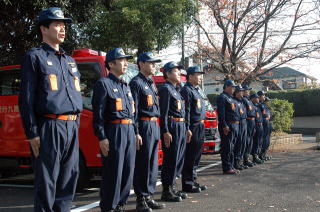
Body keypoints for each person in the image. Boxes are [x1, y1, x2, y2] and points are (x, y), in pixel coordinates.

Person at [18, 7, 83, 211]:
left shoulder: (69, 60)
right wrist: (32, 132)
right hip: (50, 126)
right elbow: (26, 98)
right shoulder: (34, 57)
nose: (62, 29)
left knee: (69, 177)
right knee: (47, 181)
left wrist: (75, 123)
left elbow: (75, 96)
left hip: (71, 127)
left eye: (64, 25)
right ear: (43, 29)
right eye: (57, 24)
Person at [92, 48, 137, 212]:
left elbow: (133, 113)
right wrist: (102, 137)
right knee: (113, 172)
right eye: (122, 60)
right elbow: (98, 114)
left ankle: (120, 204)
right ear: (111, 64)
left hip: (128, 130)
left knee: (127, 170)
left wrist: (135, 132)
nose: (125, 63)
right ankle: (109, 207)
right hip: (114, 131)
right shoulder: (103, 84)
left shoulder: (126, 86)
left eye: (126, 60)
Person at [129, 52, 166, 212]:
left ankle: (149, 195)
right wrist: (136, 131)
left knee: (152, 164)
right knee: (143, 163)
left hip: (153, 125)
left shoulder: (151, 82)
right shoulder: (135, 83)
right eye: (151, 63)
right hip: (143, 125)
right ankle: (140, 199)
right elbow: (134, 110)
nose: (154, 65)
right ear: (141, 63)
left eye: (154, 63)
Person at [159, 61, 186, 202]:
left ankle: (173, 188)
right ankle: (166, 190)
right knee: (171, 159)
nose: (179, 73)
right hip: (172, 126)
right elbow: (163, 112)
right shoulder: (165, 89)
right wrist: (165, 131)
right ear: (168, 74)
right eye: (176, 71)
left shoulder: (176, 89)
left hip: (180, 126)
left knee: (178, 158)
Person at [180, 66, 206, 193]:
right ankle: (188, 183)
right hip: (193, 126)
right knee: (190, 155)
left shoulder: (197, 90)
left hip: (200, 125)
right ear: (190, 76)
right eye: (198, 74)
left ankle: (193, 180)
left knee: (196, 155)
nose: (200, 77)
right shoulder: (186, 90)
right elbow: (187, 111)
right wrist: (188, 127)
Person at [216, 79, 240, 174]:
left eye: (234, 87)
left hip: (234, 124)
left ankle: (231, 165)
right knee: (227, 147)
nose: (233, 89)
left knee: (232, 146)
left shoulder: (231, 98)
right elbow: (221, 113)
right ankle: (226, 167)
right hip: (228, 125)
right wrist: (224, 125)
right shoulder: (222, 97)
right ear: (226, 87)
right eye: (231, 87)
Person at [233, 85, 248, 170]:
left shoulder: (242, 101)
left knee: (243, 142)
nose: (243, 92)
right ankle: (236, 162)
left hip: (244, 121)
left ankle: (240, 160)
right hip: (239, 122)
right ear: (237, 92)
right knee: (238, 143)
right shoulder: (234, 101)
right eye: (241, 91)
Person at [241, 84, 256, 167]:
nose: (248, 92)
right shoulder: (243, 100)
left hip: (252, 122)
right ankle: (244, 159)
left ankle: (247, 158)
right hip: (247, 121)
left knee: (250, 141)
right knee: (246, 141)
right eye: (247, 90)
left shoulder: (248, 100)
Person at [250, 93, 264, 164]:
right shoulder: (252, 106)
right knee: (256, 141)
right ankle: (255, 156)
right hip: (256, 125)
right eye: (256, 98)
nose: (258, 99)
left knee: (259, 141)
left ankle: (258, 155)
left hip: (260, 125)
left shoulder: (258, 106)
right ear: (252, 98)